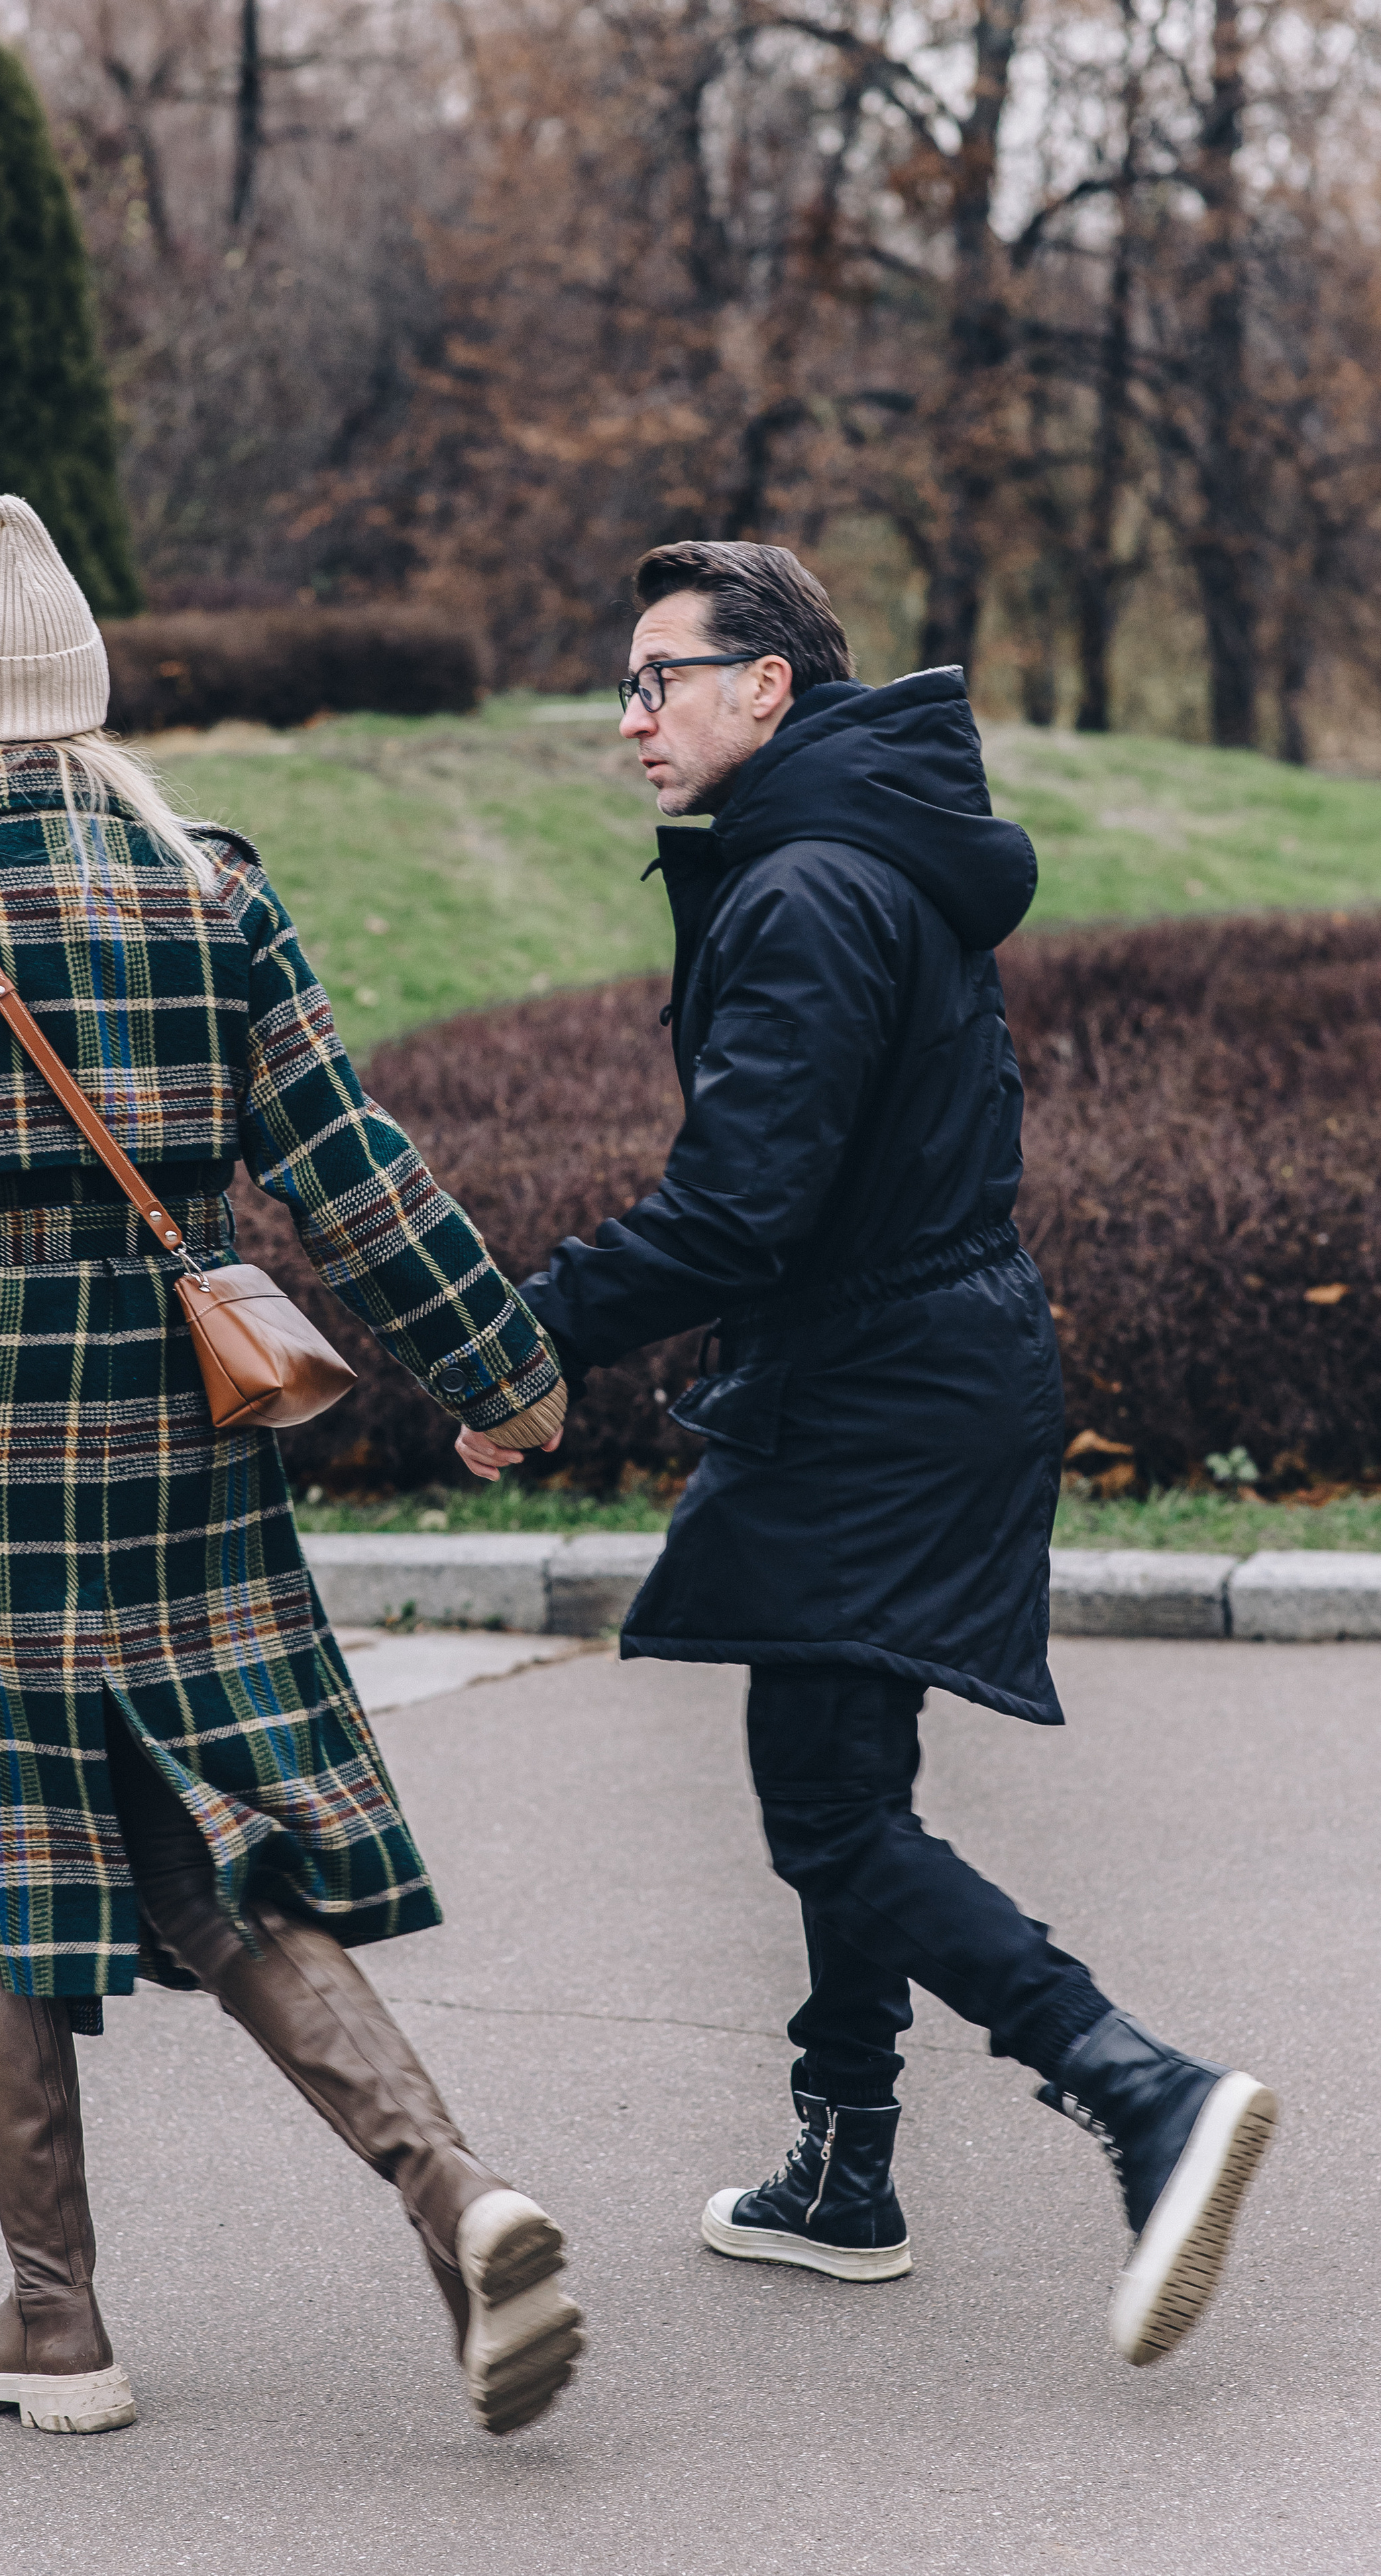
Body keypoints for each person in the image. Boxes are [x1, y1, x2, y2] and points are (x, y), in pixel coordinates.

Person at [0, 494, 582, 2440]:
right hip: (182, 1440)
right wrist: (507, 1372)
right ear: (92, 687)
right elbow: (350, 1160)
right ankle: (455, 2194)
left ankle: (57, 2322)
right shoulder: (205, 883)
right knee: (212, 1834)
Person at [457, 539, 1276, 2366]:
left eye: (657, 679)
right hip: (923, 1362)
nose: (628, 720)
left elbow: (740, 1211)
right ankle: (844, 2172)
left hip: (882, 1387)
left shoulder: (809, 886)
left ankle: (1139, 2088)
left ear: (771, 688)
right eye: (625, 683)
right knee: (846, 1779)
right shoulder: (853, 854)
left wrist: (521, 1332)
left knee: (823, 1805)